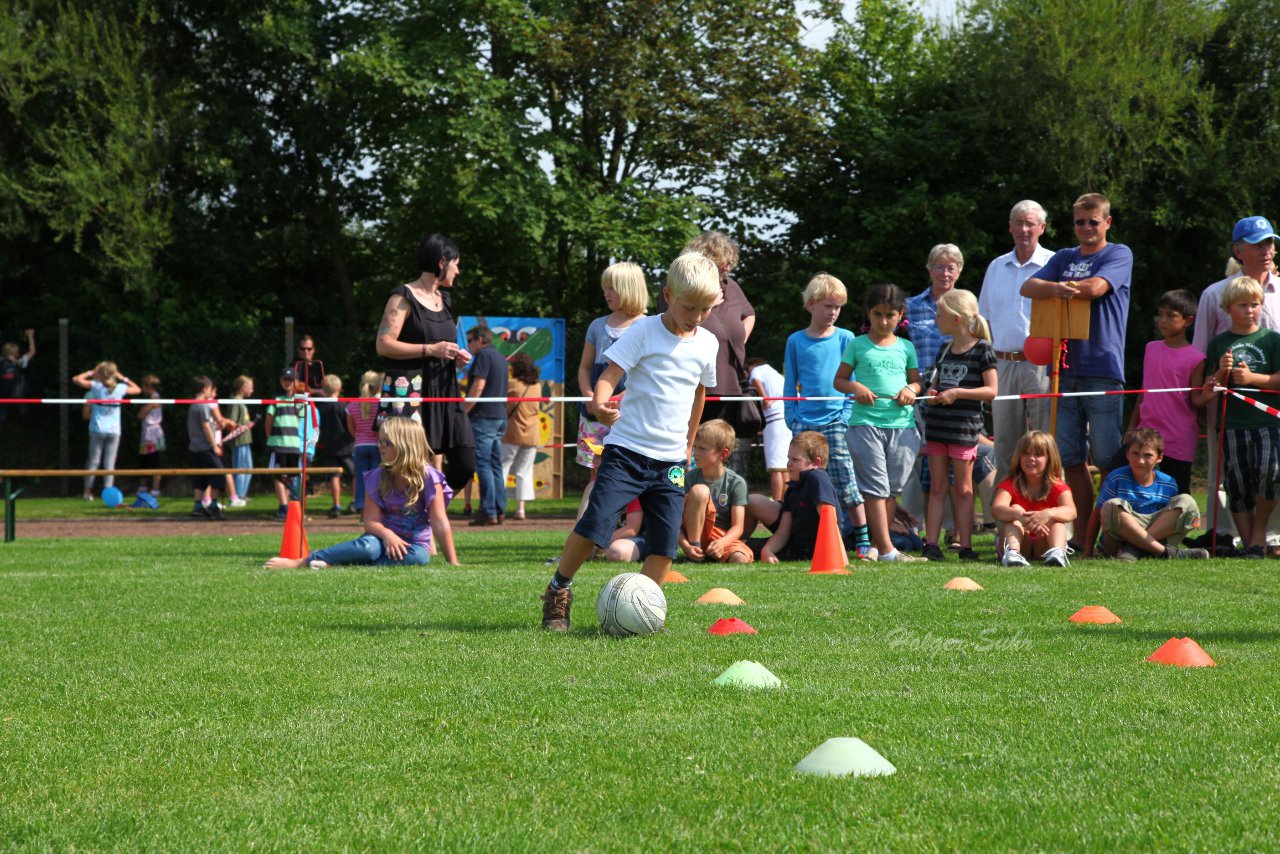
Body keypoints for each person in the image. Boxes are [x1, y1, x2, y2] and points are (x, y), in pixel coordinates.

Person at [539, 252, 720, 631]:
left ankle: (643, 609)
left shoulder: (708, 344)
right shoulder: (643, 331)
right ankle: (558, 589)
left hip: (670, 462)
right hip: (626, 453)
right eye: (691, 307)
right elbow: (608, 375)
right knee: (595, 525)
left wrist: (688, 447)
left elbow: (699, 395)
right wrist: (600, 402)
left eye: (706, 309)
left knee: (665, 545)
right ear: (668, 295)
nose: (698, 317)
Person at [1022, 193, 1133, 541]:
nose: (1086, 228)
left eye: (1093, 222)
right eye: (1080, 222)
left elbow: (1097, 287)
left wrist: (1059, 289)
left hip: (1102, 367)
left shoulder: (1118, 253)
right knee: (1069, 456)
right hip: (1063, 368)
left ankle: (1116, 534)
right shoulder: (1065, 256)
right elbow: (1028, 286)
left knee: (1106, 456)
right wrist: (1061, 287)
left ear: (1107, 223)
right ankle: (1086, 535)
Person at [1191, 215, 1280, 548]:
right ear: (1238, 250)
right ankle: (1226, 534)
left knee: (1273, 470)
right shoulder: (1214, 294)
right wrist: (1200, 397)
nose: (1267, 250)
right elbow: (1200, 352)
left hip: (1274, 404)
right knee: (1230, 473)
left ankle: (1272, 536)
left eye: (1270, 243)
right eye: (1258, 244)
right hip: (1227, 405)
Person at [265, 416, 458, 569]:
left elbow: (440, 522)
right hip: (379, 540)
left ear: (405, 445)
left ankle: (338, 565)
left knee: (418, 558)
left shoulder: (430, 479)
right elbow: (370, 523)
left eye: (386, 443)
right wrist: (388, 535)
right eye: (379, 442)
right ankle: (302, 562)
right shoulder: (377, 476)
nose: (380, 447)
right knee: (368, 548)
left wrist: (453, 561)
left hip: (413, 546)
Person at [374, 232, 475, 494]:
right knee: (408, 469)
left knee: (465, 463)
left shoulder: (446, 300)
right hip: (411, 391)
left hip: (446, 390)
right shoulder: (402, 296)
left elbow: (440, 346)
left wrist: (455, 355)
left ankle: (432, 506)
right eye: (456, 264)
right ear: (442, 263)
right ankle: (411, 519)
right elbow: (383, 344)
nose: (459, 271)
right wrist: (431, 349)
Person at [781, 273, 873, 559]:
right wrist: (791, 418)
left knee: (845, 478)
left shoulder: (846, 338)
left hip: (836, 422)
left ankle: (862, 539)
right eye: (827, 305)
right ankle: (807, 535)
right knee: (802, 483)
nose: (833, 312)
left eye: (838, 306)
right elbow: (789, 383)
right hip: (804, 422)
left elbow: (852, 381)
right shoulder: (795, 341)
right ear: (810, 304)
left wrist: (846, 416)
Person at [834, 283, 925, 563]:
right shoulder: (857, 345)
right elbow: (839, 381)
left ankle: (876, 547)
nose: (883, 322)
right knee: (875, 489)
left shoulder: (906, 347)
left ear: (900, 315)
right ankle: (888, 551)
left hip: (902, 426)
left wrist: (911, 390)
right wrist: (855, 387)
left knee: (890, 490)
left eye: (890, 315)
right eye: (877, 315)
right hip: (865, 425)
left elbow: (916, 382)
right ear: (868, 313)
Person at [978, 200, 1055, 485]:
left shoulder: (1055, 263)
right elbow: (983, 320)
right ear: (1010, 228)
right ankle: (1006, 523)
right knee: (1006, 446)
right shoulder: (997, 267)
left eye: (1030, 223)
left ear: (1042, 228)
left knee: (1047, 444)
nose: (1024, 229)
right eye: (1019, 223)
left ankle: (1055, 521)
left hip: (1042, 365)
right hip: (1001, 364)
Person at [920, 289, 997, 562]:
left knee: (964, 489)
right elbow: (934, 383)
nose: (936, 320)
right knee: (937, 487)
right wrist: (933, 393)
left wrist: (958, 393)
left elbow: (991, 390)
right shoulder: (944, 349)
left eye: (939, 315)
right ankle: (931, 544)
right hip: (938, 428)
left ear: (955, 318)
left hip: (964, 429)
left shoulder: (982, 350)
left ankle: (966, 546)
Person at [664, 230, 755, 432]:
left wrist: (739, 339)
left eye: (731, 261)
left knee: (721, 446)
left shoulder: (731, 286)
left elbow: (750, 314)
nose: (728, 266)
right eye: (723, 260)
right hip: (689, 382)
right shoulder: (679, 285)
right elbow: (671, 324)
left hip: (729, 381)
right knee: (690, 444)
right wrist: (707, 303)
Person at [576, 261, 647, 515]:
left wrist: (622, 397)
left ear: (629, 288)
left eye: (612, 287)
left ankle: (630, 526)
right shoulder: (596, 326)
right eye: (604, 287)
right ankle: (593, 530)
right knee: (597, 473)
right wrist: (590, 396)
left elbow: (648, 376)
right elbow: (584, 368)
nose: (606, 293)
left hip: (633, 416)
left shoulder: (648, 326)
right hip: (595, 415)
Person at [1082, 428, 1207, 561]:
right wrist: (1087, 553)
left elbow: (1169, 519)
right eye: (1135, 454)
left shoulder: (1169, 483)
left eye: (1147, 455)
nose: (1140, 461)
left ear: (1159, 457)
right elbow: (1097, 516)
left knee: (1187, 502)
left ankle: (1133, 548)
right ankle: (1166, 552)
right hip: (1118, 540)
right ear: (1127, 455)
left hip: (1152, 536)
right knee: (1111, 506)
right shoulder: (1116, 478)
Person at [1125, 290, 1204, 496]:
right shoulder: (1151, 348)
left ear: (1188, 321)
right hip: (1144, 436)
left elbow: (1196, 402)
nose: (1163, 320)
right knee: (1135, 490)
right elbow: (1143, 391)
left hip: (1178, 440)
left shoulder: (1197, 358)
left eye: (1171, 315)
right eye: (1160, 314)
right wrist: (1132, 426)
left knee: (1177, 497)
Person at [744, 431, 843, 563]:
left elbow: (830, 521)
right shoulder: (793, 488)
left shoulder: (818, 478)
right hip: (796, 547)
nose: (789, 464)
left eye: (795, 460)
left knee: (739, 549)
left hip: (815, 550)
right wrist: (767, 550)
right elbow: (783, 532)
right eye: (788, 458)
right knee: (741, 546)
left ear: (816, 463)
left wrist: (841, 559)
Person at [990, 430, 1075, 567]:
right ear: (1018, 457)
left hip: (1044, 545)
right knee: (1015, 510)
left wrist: (1047, 514)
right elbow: (997, 509)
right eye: (1026, 453)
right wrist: (1019, 515)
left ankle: (1057, 554)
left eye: (1038, 454)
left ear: (1050, 459)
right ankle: (1012, 554)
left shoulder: (1057, 486)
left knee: (1057, 521)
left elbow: (1071, 511)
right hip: (1019, 541)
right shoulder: (1009, 484)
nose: (1031, 458)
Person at [678, 419, 752, 564]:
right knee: (700, 491)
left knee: (740, 559)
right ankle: (695, 550)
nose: (695, 453)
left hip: (720, 538)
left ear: (723, 454)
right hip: (693, 538)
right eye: (695, 447)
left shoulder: (736, 482)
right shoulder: (688, 479)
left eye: (702, 449)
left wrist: (722, 543)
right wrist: (686, 546)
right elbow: (674, 519)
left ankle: (713, 553)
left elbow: (738, 527)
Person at [72, 362, 140, 500]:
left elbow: (76, 379)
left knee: (93, 462)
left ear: (101, 374)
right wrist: (123, 377)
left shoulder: (96, 387)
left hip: (98, 428)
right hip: (114, 430)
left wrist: (92, 372)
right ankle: (108, 492)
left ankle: (87, 492)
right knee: (110, 463)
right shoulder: (120, 388)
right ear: (114, 374)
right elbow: (137, 389)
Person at [464, 324, 508, 526]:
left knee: (483, 464)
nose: (468, 345)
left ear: (480, 340)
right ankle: (499, 511)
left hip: (484, 417)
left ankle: (488, 511)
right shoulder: (499, 357)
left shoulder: (482, 357)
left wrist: (464, 410)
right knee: (495, 464)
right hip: (500, 416)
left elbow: (478, 385)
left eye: (470, 341)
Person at [265, 368, 308, 520]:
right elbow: (269, 420)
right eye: (285, 379)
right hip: (277, 443)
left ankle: (287, 507)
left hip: (293, 444)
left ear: (296, 382)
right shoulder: (275, 399)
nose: (288, 383)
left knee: (290, 477)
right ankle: (283, 506)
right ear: (281, 381)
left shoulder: (299, 400)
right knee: (278, 476)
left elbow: (302, 417)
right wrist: (270, 436)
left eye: (291, 380)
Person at [746, 356, 792, 502]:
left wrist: (764, 398)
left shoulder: (757, 370)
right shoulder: (776, 375)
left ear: (752, 365)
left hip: (774, 420)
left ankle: (776, 503)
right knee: (784, 466)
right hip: (786, 418)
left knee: (775, 467)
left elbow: (755, 379)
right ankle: (784, 502)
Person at [502, 352, 541, 521]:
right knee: (524, 472)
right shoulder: (537, 386)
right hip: (532, 434)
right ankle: (521, 510)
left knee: (501, 469)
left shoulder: (512, 384)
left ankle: (499, 507)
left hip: (512, 432)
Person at [315, 374, 355, 518]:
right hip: (347, 445)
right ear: (339, 388)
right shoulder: (344, 405)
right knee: (354, 474)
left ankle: (336, 505)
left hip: (329, 445)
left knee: (334, 476)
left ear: (323, 389)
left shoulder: (320, 406)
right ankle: (354, 502)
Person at [186, 375, 226, 519]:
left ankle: (198, 506)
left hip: (195, 447)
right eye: (210, 389)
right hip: (204, 447)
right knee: (219, 474)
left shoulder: (193, 404)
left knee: (200, 477)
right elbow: (206, 426)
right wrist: (214, 446)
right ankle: (213, 505)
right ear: (205, 389)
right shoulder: (202, 404)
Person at [346, 370, 383, 514]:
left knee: (361, 478)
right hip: (377, 446)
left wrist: (360, 436)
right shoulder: (379, 404)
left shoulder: (352, 405)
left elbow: (351, 429)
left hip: (359, 446)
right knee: (376, 479)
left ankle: (361, 507)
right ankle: (375, 508)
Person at [224, 376, 256, 505]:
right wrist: (240, 428)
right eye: (250, 387)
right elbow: (231, 422)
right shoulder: (235, 402)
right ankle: (237, 495)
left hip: (245, 440)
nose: (252, 390)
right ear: (243, 387)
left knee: (248, 467)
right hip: (239, 441)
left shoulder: (241, 402)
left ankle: (242, 494)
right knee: (241, 467)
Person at [135, 374, 166, 501]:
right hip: (148, 432)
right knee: (145, 460)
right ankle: (143, 487)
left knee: (154, 461)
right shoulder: (152, 399)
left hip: (153, 433)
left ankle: (155, 489)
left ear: (148, 386)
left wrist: (143, 410)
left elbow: (141, 414)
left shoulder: (154, 399)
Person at [0, 328, 35, 421]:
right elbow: (32, 352)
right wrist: (30, 336)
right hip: (18, 395)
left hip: (3, 396)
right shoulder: (20, 362)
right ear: (16, 353)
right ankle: (23, 416)